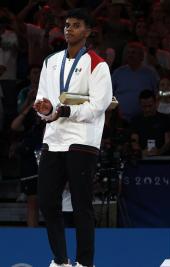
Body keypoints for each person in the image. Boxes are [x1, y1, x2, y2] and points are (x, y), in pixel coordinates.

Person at [33, 9, 112, 267]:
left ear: (88, 32)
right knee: (46, 201)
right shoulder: (50, 61)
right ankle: (60, 260)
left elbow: (98, 106)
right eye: (67, 25)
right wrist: (45, 109)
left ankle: (85, 263)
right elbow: (42, 98)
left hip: (82, 140)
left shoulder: (98, 64)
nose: (69, 29)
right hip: (54, 137)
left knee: (81, 205)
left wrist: (65, 110)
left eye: (76, 25)